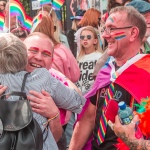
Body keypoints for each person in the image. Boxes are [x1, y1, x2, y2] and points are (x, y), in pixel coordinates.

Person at [69, 6, 147, 150]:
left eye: (112, 28)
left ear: (133, 33)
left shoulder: (147, 72)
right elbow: (88, 118)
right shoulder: (105, 72)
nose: (104, 35)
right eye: (105, 29)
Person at [0, 32, 86, 150]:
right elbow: (79, 103)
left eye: (45, 54)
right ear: (21, 52)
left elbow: (57, 137)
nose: (39, 57)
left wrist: (53, 114)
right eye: (33, 51)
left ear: (52, 61)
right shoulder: (44, 78)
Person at [32, 14, 80, 83]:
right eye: (54, 28)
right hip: (62, 89)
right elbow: (75, 75)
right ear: (51, 29)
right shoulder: (62, 50)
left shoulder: (27, 51)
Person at [76, 26, 103, 95]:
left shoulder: (100, 57)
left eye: (88, 37)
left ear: (95, 41)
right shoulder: (79, 58)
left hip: (93, 94)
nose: (85, 39)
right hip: (79, 94)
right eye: (82, 37)